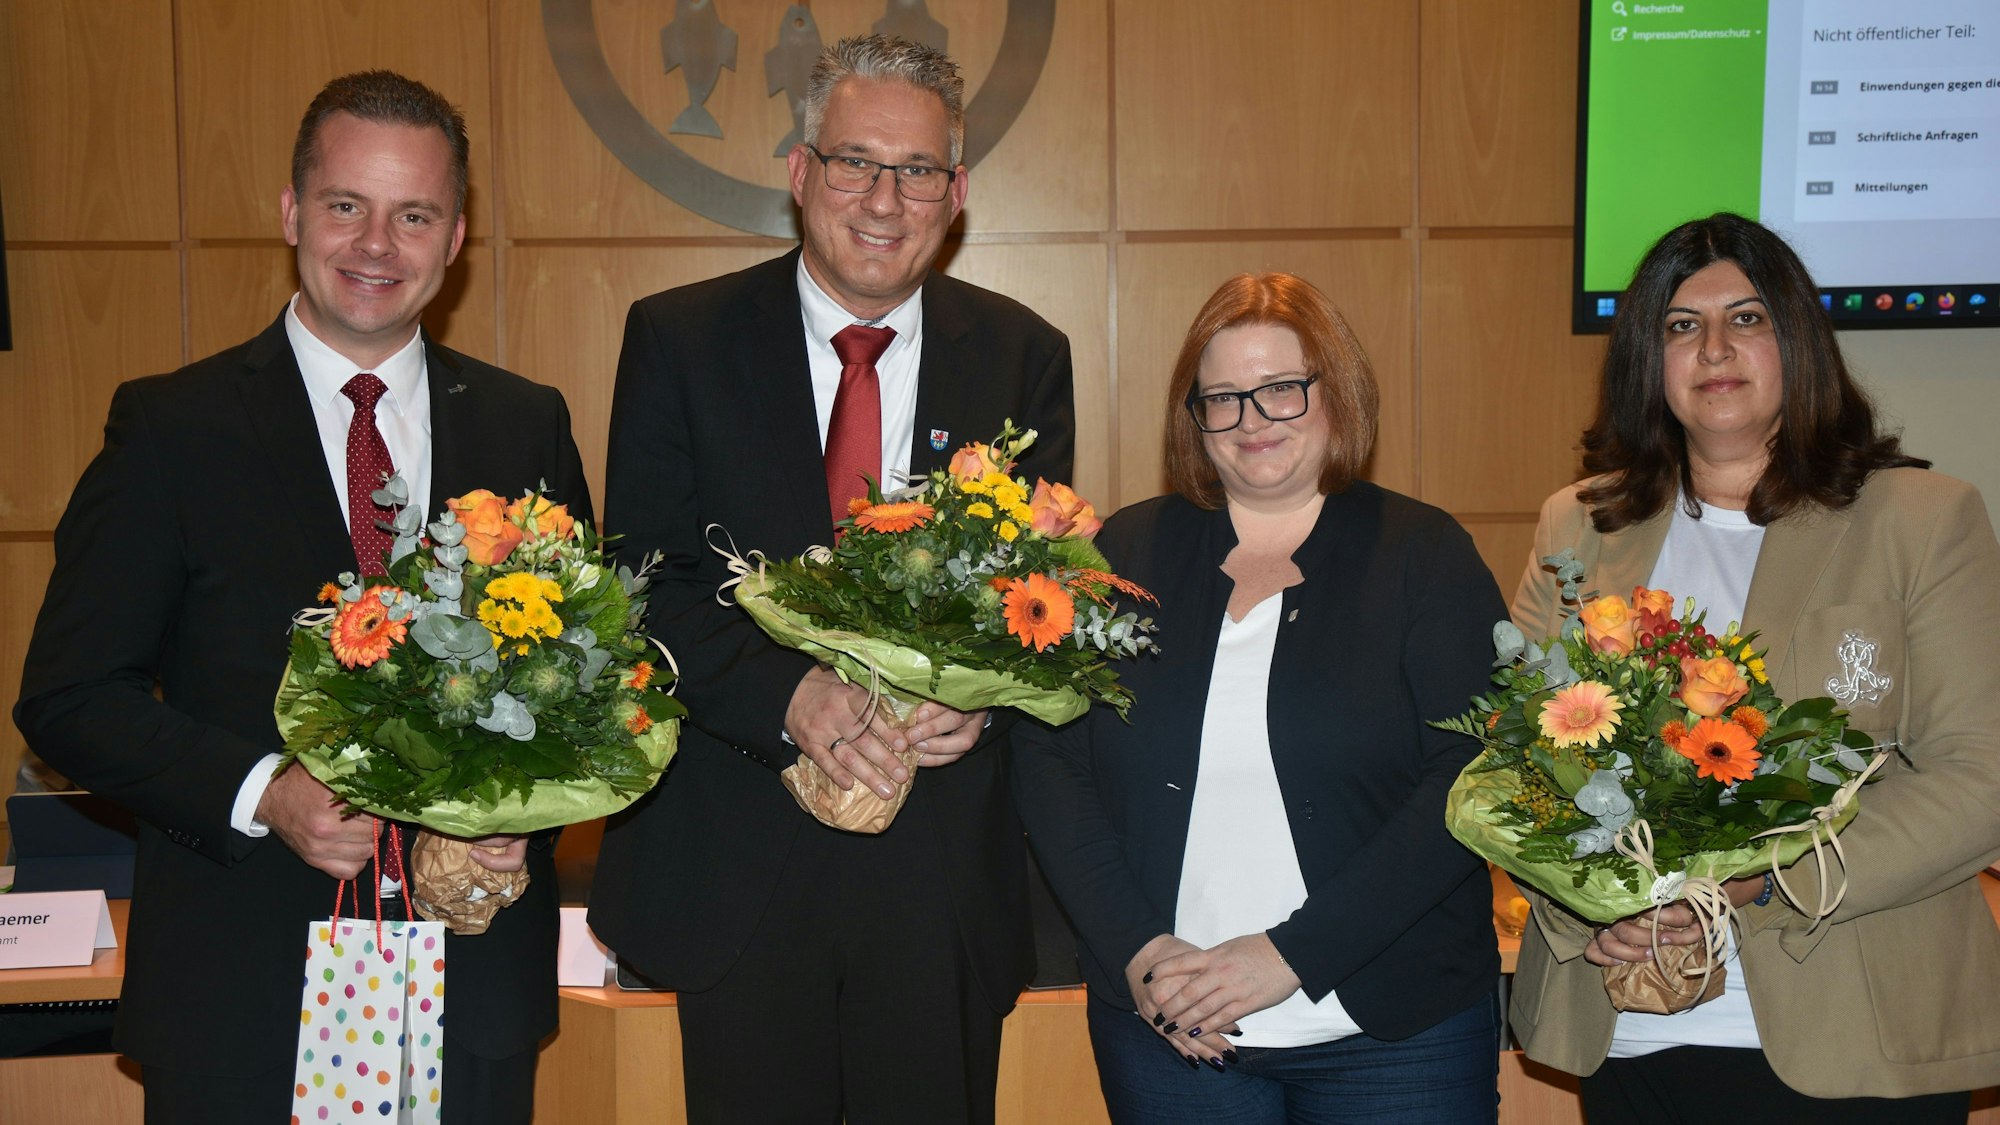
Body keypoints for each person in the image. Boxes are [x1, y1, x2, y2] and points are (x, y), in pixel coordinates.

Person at [13, 71, 589, 1124]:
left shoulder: (526, 426)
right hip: (242, 991)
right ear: (290, 214)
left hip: (471, 987)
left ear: (454, 236)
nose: (377, 244)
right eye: (345, 206)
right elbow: (68, 695)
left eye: (412, 214)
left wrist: (526, 818)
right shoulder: (169, 431)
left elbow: (586, 694)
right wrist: (263, 791)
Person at [586, 34, 1075, 1125]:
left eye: (916, 173)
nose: (882, 199)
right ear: (801, 174)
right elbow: (642, 585)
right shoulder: (679, 339)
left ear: (955, 195)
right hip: (740, 865)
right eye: (854, 161)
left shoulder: (1021, 355)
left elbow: (1037, 599)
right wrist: (790, 697)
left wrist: (979, 707)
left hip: (934, 875)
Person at [1508, 212, 2000, 1122]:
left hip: (1861, 1028)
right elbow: (1520, 767)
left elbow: (1980, 778)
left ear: (1799, 341)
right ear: (1647, 363)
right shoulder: (1581, 526)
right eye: (1681, 326)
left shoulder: (1923, 519)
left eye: (1748, 318)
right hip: (1637, 1030)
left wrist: (1767, 877)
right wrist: (1594, 906)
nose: (1714, 348)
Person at [1011, 273, 1504, 1122]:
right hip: (1171, 1032)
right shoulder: (1124, 551)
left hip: (1395, 1035)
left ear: (1336, 393)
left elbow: (1471, 779)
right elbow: (1049, 762)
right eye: (1224, 398)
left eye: (1281, 389)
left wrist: (1289, 957)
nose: (1252, 422)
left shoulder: (1426, 555)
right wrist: (1137, 954)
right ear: (1193, 417)